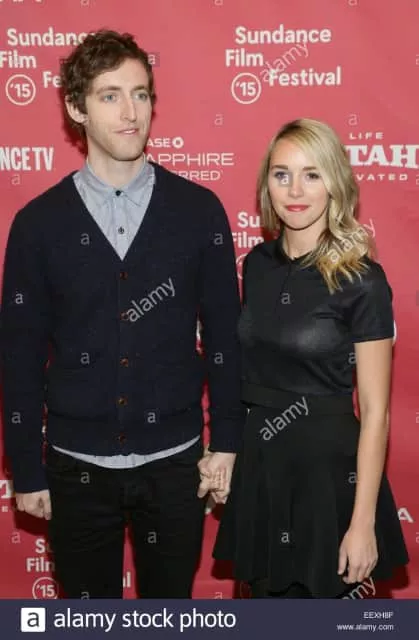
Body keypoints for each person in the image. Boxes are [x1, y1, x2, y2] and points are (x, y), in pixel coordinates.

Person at [0, 29, 244, 599]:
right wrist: (26, 468)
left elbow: (225, 338)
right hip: (75, 467)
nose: (131, 112)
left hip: (176, 464)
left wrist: (228, 440)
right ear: (76, 107)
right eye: (110, 96)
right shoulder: (37, 225)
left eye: (140, 94)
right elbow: (20, 357)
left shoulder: (198, 211)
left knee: (169, 616)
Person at [212, 118, 409, 598]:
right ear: (267, 184)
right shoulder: (256, 265)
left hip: (328, 478)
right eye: (282, 174)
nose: (295, 190)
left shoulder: (362, 281)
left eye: (312, 174)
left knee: (325, 618)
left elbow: (376, 412)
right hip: (263, 469)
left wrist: (362, 523)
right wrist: (229, 455)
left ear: (335, 183)